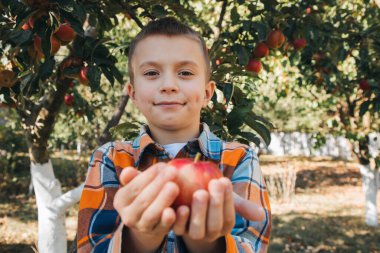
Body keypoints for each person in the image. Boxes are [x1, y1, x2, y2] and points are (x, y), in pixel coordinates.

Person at [77, 17, 271, 253]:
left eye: (186, 73)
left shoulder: (238, 159)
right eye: (151, 73)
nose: (168, 84)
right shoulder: (111, 159)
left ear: (208, 92)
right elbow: (90, 246)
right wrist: (139, 237)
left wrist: (207, 243)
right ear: (133, 94)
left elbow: (252, 245)